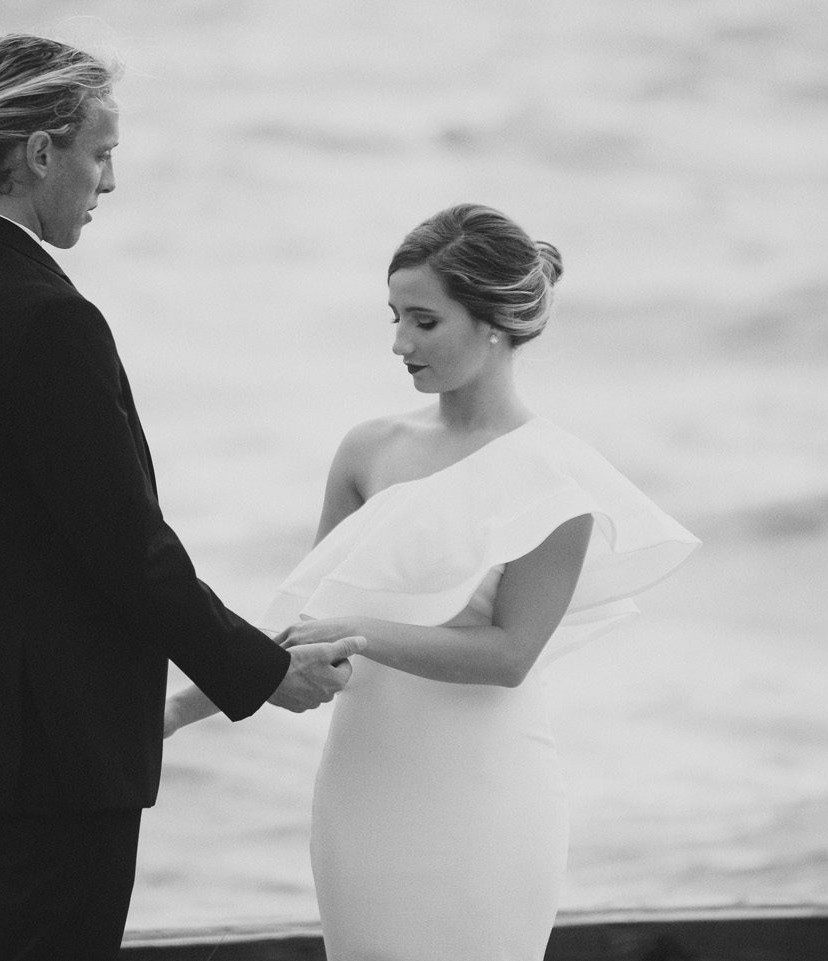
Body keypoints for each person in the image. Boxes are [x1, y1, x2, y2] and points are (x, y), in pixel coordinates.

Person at [0, 34, 362, 961]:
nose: (110, 182)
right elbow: (128, 549)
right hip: (65, 758)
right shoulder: (50, 320)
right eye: (102, 154)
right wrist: (262, 672)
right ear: (42, 152)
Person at [164, 203, 699, 959]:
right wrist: (177, 711)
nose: (398, 342)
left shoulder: (556, 479)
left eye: (423, 321)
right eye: (394, 317)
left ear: (492, 323)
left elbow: (510, 654)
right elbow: (302, 631)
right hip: (363, 792)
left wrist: (365, 633)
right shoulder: (368, 451)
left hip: (486, 803)